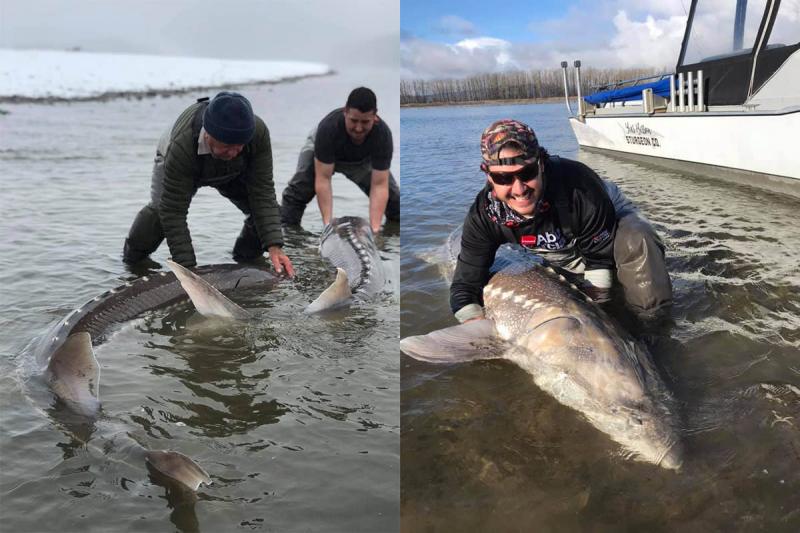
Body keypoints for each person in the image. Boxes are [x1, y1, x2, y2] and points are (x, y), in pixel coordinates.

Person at [451, 119, 672, 324]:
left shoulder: (580, 188)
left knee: (638, 240)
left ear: (541, 165)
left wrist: (602, 317)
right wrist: (476, 329)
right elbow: (464, 286)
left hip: (607, 219)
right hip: (561, 238)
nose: (519, 189)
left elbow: (599, 260)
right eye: (503, 178)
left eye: (527, 173)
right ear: (489, 176)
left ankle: (654, 325)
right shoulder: (484, 215)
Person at [123, 91, 294, 276]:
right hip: (176, 160)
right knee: (160, 212)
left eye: (240, 146)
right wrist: (189, 272)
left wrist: (274, 246)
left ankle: (246, 263)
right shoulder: (182, 146)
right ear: (208, 134)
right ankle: (132, 264)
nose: (234, 152)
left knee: (269, 214)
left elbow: (262, 192)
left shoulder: (257, 134)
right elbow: (173, 213)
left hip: (232, 171)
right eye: (227, 145)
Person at [280, 87, 400, 234]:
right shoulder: (328, 128)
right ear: (345, 112)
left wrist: (374, 231)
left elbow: (379, 185)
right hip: (321, 153)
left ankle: (390, 235)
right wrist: (327, 226)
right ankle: (289, 237)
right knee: (296, 196)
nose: (358, 128)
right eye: (353, 120)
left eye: (365, 122)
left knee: (396, 204)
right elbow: (323, 179)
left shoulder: (383, 135)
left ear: (375, 117)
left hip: (362, 161)